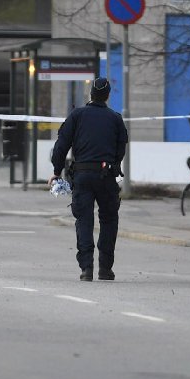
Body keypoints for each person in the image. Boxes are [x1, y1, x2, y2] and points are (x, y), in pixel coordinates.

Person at [48, 77, 129, 281]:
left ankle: (86, 268)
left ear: (90, 94)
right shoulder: (115, 118)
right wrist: (114, 164)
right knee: (109, 220)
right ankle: (105, 268)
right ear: (108, 96)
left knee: (84, 220)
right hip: (107, 176)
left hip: (82, 175)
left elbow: (61, 146)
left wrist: (57, 171)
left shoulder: (77, 115)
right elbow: (121, 148)